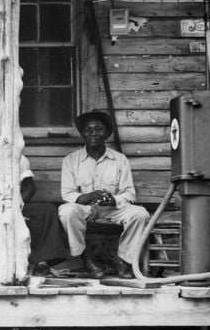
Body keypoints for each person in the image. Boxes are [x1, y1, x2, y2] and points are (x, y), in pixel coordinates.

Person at [0, 124, 69, 277]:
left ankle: (42, 263)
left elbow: (29, 188)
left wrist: (15, 205)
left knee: (48, 210)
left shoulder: (17, 157)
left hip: (15, 202)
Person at [57, 109, 150, 279]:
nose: (93, 133)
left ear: (106, 133)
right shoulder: (71, 160)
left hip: (112, 209)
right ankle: (85, 259)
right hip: (84, 209)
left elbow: (129, 193)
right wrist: (88, 197)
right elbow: (68, 194)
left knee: (140, 214)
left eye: (98, 129)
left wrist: (113, 200)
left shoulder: (120, 159)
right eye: (88, 129)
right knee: (67, 211)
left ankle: (124, 261)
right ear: (82, 134)